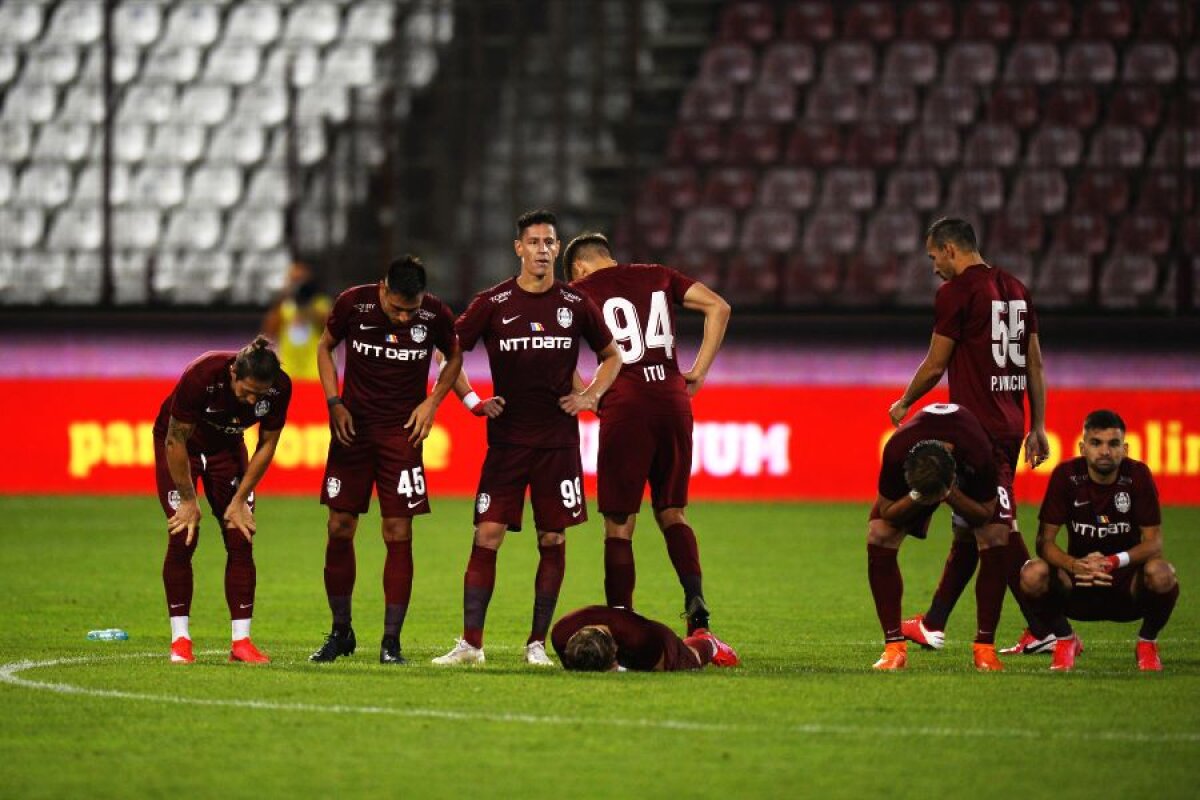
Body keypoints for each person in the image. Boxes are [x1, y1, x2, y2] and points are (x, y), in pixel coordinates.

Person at [432, 209, 622, 667]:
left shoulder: (575, 303)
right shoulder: (493, 302)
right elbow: (447, 352)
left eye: (549, 242)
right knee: (487, 534)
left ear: (557, 249)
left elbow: (612, 356)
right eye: (534, 242)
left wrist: (590, 397)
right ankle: (471, 645)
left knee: (552, 539)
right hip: (508, 443)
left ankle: (536, 644)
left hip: (558, 444)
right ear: (518, 248)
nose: (542, 250)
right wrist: (472, 401)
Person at [887, 217, 1052, 655]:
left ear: (950, 249)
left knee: (997, 528)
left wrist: (905, 402)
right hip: (1010, 423)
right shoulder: (1017, 289)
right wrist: (1037, 425)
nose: (934, 267)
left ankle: (1046, 625)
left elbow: (935, 364)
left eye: (933, 257)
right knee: (967, 525)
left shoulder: (956, 293)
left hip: (978, 431)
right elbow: (1034, 364)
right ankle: (933, 623)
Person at [563, 232, 732, 634]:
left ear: (579, 268)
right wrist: (699, 372)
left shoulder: (578, 292)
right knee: (672, 511)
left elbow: (559, 351)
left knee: (619, 523)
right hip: (673, 400)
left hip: (626, 404)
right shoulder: (658, 274)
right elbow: (719, 307)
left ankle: (621, 618)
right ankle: (696, 603)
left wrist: (588, 394)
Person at [309, 255, 462, 665]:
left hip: (402, 435)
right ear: (382, 288)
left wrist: (432, 402)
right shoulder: (352, 304)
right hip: (353, 430)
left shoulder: (435, 314)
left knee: (398, 532)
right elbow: (325, 347)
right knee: (339, 526)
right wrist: (334, 402)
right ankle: (341, 632)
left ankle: (391, 642)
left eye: (411, 310)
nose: (403, 317)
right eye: (396, 308)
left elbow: (454, 355)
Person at [153, 336, 291, 664]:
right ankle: (180, 641)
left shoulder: (280, 387)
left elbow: (267, 445)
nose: (251, 400)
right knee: (183, 535)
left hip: (227, 448)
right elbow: (175, 439)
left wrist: (240, 500)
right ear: (233, 374)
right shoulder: (202, 375)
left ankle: (241, 643)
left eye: (259, 394)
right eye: (247, 391)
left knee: (240, 536)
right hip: (181, 447)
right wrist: (189, 500)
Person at [1020, 410, 1179, 671]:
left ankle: (1147, 643)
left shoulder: (1138, 475)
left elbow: (1154, 543)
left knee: (1163, 573)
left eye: (1113, 444)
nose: (1105, 451)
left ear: (1125, 449)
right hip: (1078, 583)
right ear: (1083, 447)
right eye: (1096, 443)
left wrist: (1113, 561)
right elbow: (1044, 542)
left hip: (1127, 585)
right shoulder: (1066, 475)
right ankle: (1065, 639)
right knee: (1032, 573)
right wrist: (1074, 565)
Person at [868, 403, 1007, 671]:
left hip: (963, 474)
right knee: (879, 535)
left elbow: (985, 513)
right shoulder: (897, 449)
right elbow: (887, 511)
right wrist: (917, 496)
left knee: (995, 536)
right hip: (926, 478)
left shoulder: (979, 453)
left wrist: (950, 494)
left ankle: (985, 648)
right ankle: (894, 648)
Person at [551, 605, 739, 672]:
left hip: (658, 638)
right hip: (627, 629)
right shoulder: (560, 635)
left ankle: (708, 641)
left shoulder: (642, 641)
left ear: (615, 649)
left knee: (691, 659)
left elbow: (657, 667)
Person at [261, 260, 332, 381]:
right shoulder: (282, 305)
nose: (297, 285)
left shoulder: (320, 303)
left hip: (314, 373)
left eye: (300, 280)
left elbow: (332, 328)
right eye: (293, 280)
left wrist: (309, 309)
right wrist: (283, 296)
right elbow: (269, 332)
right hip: (288, 372)